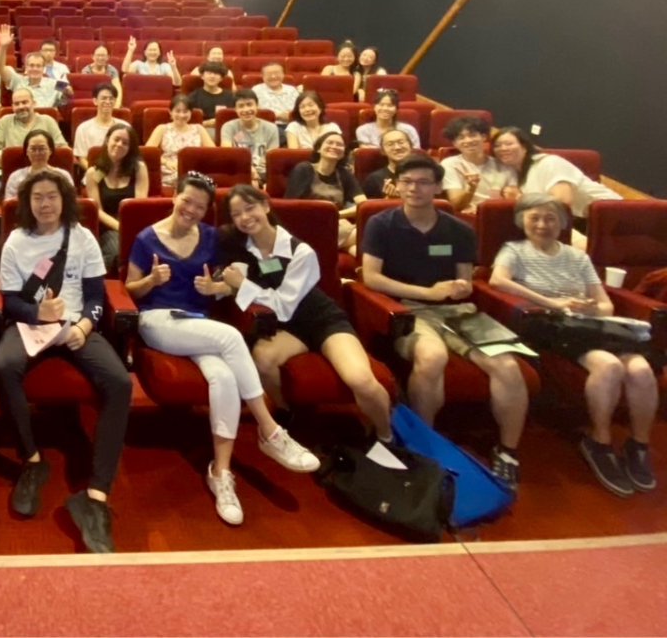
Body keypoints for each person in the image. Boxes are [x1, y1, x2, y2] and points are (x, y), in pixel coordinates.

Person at [127, 172, 319, 526]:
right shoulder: (146, 237)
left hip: (198, 324)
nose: (191, 210)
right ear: (174, 196)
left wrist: (216, 287)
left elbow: (235, 275)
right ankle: (269, 429)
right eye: (187, 201)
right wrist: (151, 281)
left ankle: (221, 472)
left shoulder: (213, 237)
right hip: (157, 320)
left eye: (200, 207)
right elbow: (129, 289)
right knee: (230, 337)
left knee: (225, 379)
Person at [360, 153, 529, 490]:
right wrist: (427, 292)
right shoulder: (382, 224)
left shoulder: (458, 229)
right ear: (397, 185)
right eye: (407, 182)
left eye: (423, 182)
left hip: (457, 310)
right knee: (432, 356)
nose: (414, 189)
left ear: (438, 186)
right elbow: (372, 278)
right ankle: (425, 444)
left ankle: (507, 452)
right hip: (407, 309)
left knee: (508, 366)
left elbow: (465, 278)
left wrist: (460, 287)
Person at [0, 171, 131, 552]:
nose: (45, 204)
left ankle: (96, 495)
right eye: (37, 197)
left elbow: (96, 296)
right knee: (2, 366)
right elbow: (10, 302)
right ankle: (32, 460)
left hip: (74, 327)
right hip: (31, 326)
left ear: (64, 199)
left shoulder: (82, 237)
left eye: (52, 196)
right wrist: (37, 312)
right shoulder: (16, 241)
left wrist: (85, 325)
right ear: (27, 202)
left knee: (120, 383)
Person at [489, 194, 656, 496]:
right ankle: (600, 441)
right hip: (555, 327)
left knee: (642, 370)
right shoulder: (514, 250)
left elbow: (605, 304)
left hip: (590, 326)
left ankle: (639, 444)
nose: (542, 225)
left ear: (563, 224)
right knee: (609, 366)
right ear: (521, 221)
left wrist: (591, 308)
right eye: (534, 218)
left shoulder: (577, 257)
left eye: (550, 218)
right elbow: (498, 281)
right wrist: (554, 303)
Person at [215, 184, 392, 440]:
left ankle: (386, 436)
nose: (245, 218)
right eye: (236, 214)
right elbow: (230, 282)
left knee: (361, 380)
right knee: (263, 359)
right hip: (287, 327)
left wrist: (242, 285)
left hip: (321, 320)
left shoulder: (300, 251)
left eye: (250, 208)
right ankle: (286, 412)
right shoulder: (240, 246)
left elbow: (283, 305)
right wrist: (218, 286)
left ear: (265, 206)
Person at [492, 127, 620, 229]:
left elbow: (562, 202)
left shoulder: (549, 163)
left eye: (508, 144)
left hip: (610, 217)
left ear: (524, 147)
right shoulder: (515, 175)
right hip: (570, 221)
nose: (503, 149)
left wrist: (520, 198)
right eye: (497, 145)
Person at [83, 122, 149, 272]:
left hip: (133, 224)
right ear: (107, 140)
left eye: (125, 143)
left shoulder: (139, 168)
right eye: (116, 139)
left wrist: (128, 228)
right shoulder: (93, 173)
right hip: (108, 227)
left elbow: (139, 204)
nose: (119, 145)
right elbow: (97, 210)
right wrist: (120, 227)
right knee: (117, 252)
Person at [285, 131, 366, 250]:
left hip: (336, 224)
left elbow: (363, 205)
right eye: (330, 142)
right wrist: (329, 214)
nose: (334, 146)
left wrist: (336, 215)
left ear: (344, 153)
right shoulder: (304, 169)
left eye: (339, 144)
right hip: (307, 225)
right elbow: (291, 206)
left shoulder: (344, 174)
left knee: (356, 248)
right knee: (367, 236)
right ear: (318, 149)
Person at [441, 115, 516, 214]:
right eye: (461, 137)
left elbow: (512, 198)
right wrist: (471, 189)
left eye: (472, 135)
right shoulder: (450, 164)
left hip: (498, 214)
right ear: (454, 143)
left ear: (484, 137)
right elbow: (456, 205)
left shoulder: (503, 166)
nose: (468, 141)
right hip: (467, 215)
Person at [0, 88, 65, 169]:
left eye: (24, 102)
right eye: (16, 104)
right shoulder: (4, 121)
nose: (21, 107)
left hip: (43, 170)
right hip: (12, 169)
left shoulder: (48, 121)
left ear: (33, 103)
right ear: (12, 107)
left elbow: (63, 148)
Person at [147, 94, 214, 186]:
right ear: (170, 112)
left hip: (194, 171)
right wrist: (166, 162)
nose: (181, 115)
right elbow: (148, 154)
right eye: (177, 111)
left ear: (191, 112)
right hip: (170, 170)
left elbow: (212, 154)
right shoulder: (162, 129)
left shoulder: (199, 129)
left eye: (185, 111)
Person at [219, 88, 280, 187]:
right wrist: (249, 169)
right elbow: (227, 153)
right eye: (241, 106)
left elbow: (272, 159)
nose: (246, 110)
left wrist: (257, 177)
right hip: (238, 171)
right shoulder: (228, 127)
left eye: (249, 104)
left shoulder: (271, 128)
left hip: (263, 173)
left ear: (257, 105)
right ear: (235, 109)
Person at [0, 26, 69, 109]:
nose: (35, 69)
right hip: (22, 114)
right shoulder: (17, 80)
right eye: (31, 65)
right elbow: (0, 67)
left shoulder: (54, 83)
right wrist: (3, 47)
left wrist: (66, 91)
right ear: (26, 67)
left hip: (45, 116)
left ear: (43, 68)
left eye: (38, 66)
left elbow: (69, 92)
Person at [3, 128, 74, 202]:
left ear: (50, 151)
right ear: (27, 152)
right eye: (33, 149)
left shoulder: (63, 176)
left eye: (42, 149)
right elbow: (10, 205)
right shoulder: (16, 177)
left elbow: (71, 203)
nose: (37, 153)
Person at [72, 83, 122, 169]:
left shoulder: (124, 127)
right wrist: (97, 174)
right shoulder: (83, 128)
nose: (108, 102)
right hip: (93, 172)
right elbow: (82, 159)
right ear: (95, 101)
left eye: (111, 99)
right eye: (104, 98)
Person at [354, 89, 422, 148]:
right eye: (381, 105)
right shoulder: (363, 130)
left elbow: (416, 153)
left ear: (396, 109)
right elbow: (367, 154)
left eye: (390, 105)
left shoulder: (409, 129)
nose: (385, 108)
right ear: (374, 107)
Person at [362, 129, 417, 200]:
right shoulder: (374, 179)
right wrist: (388, 200)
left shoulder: (425, 174)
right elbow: (368, 205)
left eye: (401, 142)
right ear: (383, 151)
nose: (397, 147)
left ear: (411, 146)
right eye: (390, 144)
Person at [187, 62, 232, 135]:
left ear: (221, 78)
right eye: (209, 73)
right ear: (202, 76)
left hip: (226, 130)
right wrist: (206, 123)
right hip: (202, 130)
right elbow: (188, 122)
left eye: (216, 74)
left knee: (241, 137)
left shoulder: (230, 96)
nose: (212, 76)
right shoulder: (193, 97)